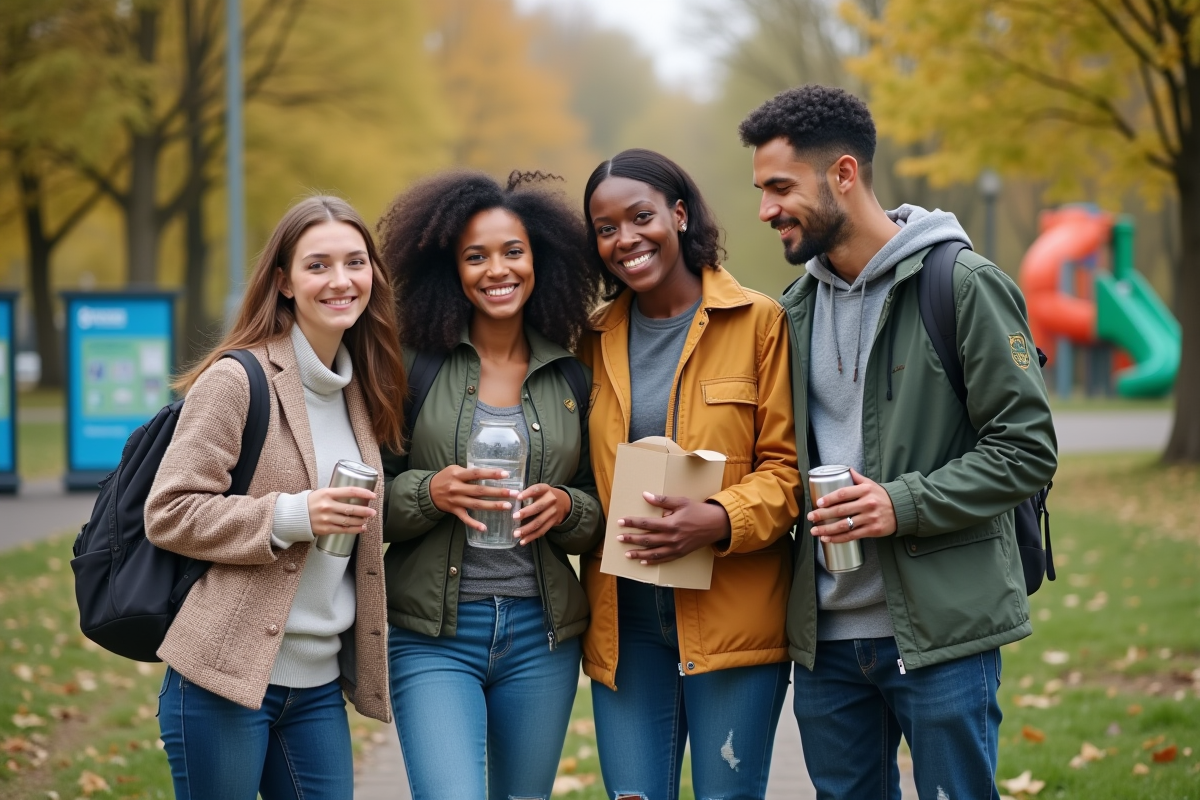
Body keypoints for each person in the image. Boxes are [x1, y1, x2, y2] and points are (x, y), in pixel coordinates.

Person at [739, 85, 1058, 799]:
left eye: (780, 188)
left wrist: (899, 502)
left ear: (844, 175)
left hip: (944, 636)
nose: (766, 210)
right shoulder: (789, 314)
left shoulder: (963, 284)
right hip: (826, 647)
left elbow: (1027, 448)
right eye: (761, 190)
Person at [145, 195, 406, 799]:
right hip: (222, 679)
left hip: (316, 689)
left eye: (356, 262)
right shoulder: (238, 379)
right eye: (318, 265)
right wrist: (293, 514)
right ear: (284, 281)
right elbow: (169, 510)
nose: (341, 281)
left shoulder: (363, 385)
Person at [579, 149, 802, 800]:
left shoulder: (760, 322)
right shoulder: (589, 339)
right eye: (606, 228)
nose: (626, 239)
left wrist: (718, 518)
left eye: (641, 216)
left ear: (678, 215)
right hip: (626, 626)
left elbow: (788, 474)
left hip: (733, 619)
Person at [377, 170, 605, 800]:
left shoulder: (573, 372)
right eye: (475, 256)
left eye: (512, 251)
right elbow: (367, 500)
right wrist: (431, 494)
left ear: (540, 260)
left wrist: (565, 506)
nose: (496, 270)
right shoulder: (410, 365)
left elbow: (596, 508)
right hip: (434, 637)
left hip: (542, 635)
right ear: (450, 269)